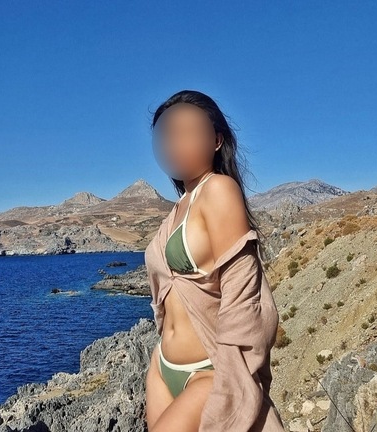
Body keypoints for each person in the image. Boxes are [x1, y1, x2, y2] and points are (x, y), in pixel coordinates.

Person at [144, 90, 285, 431]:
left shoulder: (219, 189)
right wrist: (157, 361)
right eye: (169, 135)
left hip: (208, 372)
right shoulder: (178, 208)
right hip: (162, 368)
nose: (177, 142)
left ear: (217, 140)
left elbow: (242, 293)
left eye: (189, 132)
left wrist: (232, 379)